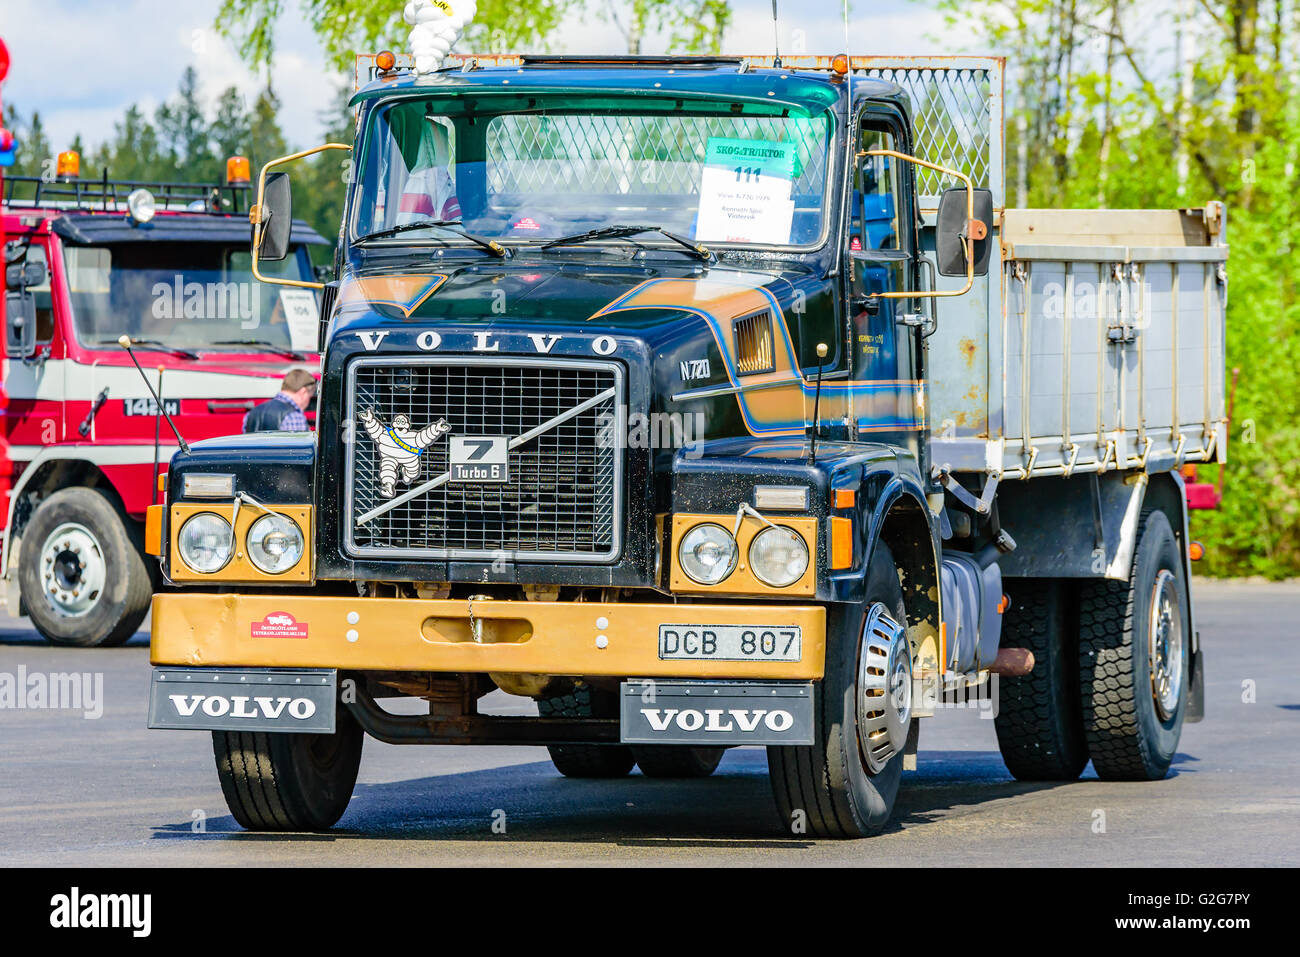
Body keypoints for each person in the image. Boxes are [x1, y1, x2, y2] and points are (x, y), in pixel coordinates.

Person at [243, 369, 316, 433]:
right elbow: (299, 447)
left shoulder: (251, 413)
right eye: (309, 397)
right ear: (303, 392)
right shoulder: (294, 416)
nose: (308, 402)